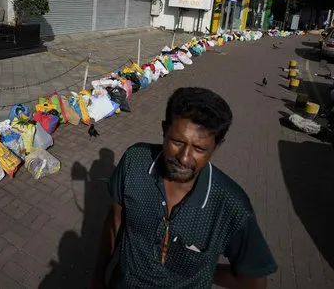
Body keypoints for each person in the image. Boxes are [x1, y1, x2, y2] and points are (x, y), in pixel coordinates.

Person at [92, 87, 277, 289]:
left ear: (217, 146)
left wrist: (202, 270)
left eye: (199, 148)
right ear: (164, 130)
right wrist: (98, 276)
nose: (184, 158)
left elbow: (254, 282)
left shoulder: (232, 206)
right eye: (177, 142)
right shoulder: (134, 162)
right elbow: (116, 221)